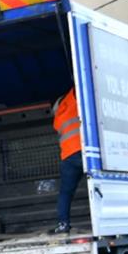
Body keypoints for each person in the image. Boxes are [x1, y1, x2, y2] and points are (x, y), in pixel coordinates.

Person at [50, 86, 83, 235]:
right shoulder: (70, 101)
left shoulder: (57, 119)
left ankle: (63, 224)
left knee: (65, 193)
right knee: (99, 185)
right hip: (83, 151)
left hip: (68, 158)